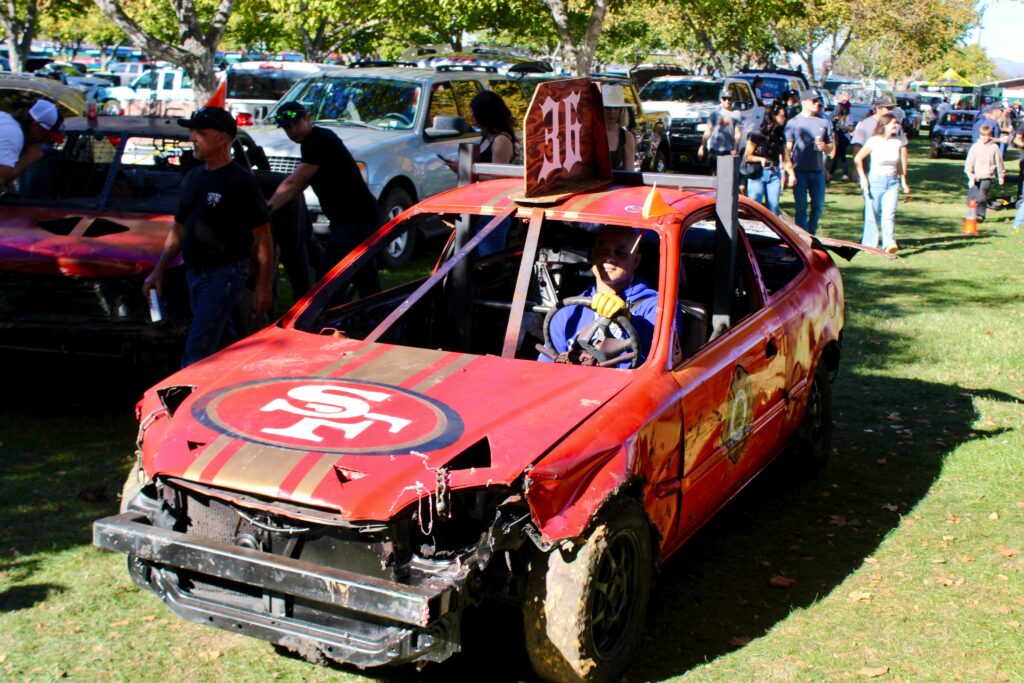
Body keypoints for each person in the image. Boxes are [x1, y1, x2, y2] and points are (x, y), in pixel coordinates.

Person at [143, 107, 274, 367]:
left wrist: (263, 285)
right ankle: (242, 377)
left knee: (197, 349)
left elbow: (263, 238)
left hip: (223, 275)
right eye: (192, 131)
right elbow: (178, 229)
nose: (192, 137)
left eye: (199, 132)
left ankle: (184, 402)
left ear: (221, 138)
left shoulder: (241, 182)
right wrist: (158, 269)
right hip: (193, 272)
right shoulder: (194, 177)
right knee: (222, 338)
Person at [266, 101, 381, 292]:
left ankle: (325, 317)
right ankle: (372, 315)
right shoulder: (311, 142)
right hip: (351, 219)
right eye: (287, 127)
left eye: (296, 124)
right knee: (362, 275)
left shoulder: (318, 141)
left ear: (308, 119)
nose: (292, 130)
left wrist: (266, 210)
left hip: (356, 220)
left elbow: (294, 183)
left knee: (329, 282)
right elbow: (300, 184)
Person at [541, 226, 657, 369]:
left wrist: (629, 320)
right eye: (602, 249)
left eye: (620, 252)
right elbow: (546, 367)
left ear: (636, 261)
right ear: (593, 255)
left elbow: (660, 359)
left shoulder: (656, 307)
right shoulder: (569, 310)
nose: (609, 257)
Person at [854, 114, 909, 254]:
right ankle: (869, 243)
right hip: (875, 181)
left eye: (896, 124)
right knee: (872, 213)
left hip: (892, 182)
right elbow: (858, 158)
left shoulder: (896, 142)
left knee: (889, 213)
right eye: (893, 123)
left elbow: (899, 165)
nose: (896, 126)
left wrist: (904, 182)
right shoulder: (874, 141)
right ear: (884, 125)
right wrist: (863, 178)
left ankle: (889, 243)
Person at [784, 90, 835, 234]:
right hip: (799, 170)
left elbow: (831, 146)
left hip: (818, 170)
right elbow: (787, 149)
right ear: (804, 102)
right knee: (801, 206)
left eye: (818, 100)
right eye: (814, 101)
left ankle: (812, 232)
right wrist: (789, 172)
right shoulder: (793, 123)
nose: (817, 103)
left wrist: (825, 147)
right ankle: (801, 235)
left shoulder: (824, 122)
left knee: (818, 205)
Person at [744, 102, 794, 216]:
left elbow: (786, 158)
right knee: (755, 207)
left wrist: (791, 174)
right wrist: (761, 159)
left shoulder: (781, 136)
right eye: (782, 115)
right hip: (758, 174)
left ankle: (773, 233)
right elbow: (747, 156)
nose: (784, 118)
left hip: (774, 174)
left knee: (774, 208)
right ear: (773, 116)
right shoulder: (757, 134)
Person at [0, 99, 62, 186]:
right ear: (35, 125)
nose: (44, 140)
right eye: (46, 135)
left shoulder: (4, 119)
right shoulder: (14, 134)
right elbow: (1, 178)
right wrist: (28, 158)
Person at [851, 96, 908, 182]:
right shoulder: (865, 124)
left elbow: (903, 148)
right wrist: (857, 169)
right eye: (888, 108)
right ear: (878, 108)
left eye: (892, 108)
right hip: (869, 170)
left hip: (891, 172)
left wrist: (902, 172)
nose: (891, 111)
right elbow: (857, 147)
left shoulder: (896, 126)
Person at [964, 122, 1005, 223]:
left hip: (988, 175)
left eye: (987, 136)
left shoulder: (994, 147)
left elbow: (999, 163)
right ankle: (971, 214)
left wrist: (1001, 176)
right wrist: (970, 175)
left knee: (982, 194)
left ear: (990, 136)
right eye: (983, 135)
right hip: (975, 176)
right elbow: (969, 162)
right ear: (980, 135)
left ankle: (980, 214)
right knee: (973, 196)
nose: (985, 138)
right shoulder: (975, 147)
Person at [698, 89, 741, 171]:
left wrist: (735, 148)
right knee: (714, 174)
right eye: (725, 99)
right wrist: (702, 146)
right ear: (721, 100)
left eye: (729, 99)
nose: (727, 101)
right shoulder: (715, 114)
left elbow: (737, 133)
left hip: (729, 150)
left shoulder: (736, 114)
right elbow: (708, 130)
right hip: (715, 149)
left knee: (727, 175)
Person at [602, 84, 636, 171]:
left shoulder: (627, 137)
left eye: (616, 108)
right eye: (608, 108)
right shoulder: (588, 135)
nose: (612, 113)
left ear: (621, 110)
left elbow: (629, 172)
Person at [830, 100, 853, 181]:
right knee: (841, 156)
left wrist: (841, 127)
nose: (840, 107)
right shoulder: (838, 115)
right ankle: (843, 174)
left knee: (839, 155)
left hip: (844, 138)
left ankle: (831, 173)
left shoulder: (848, 116)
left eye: (842, 106)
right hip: (838, 136)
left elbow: (851, 128)